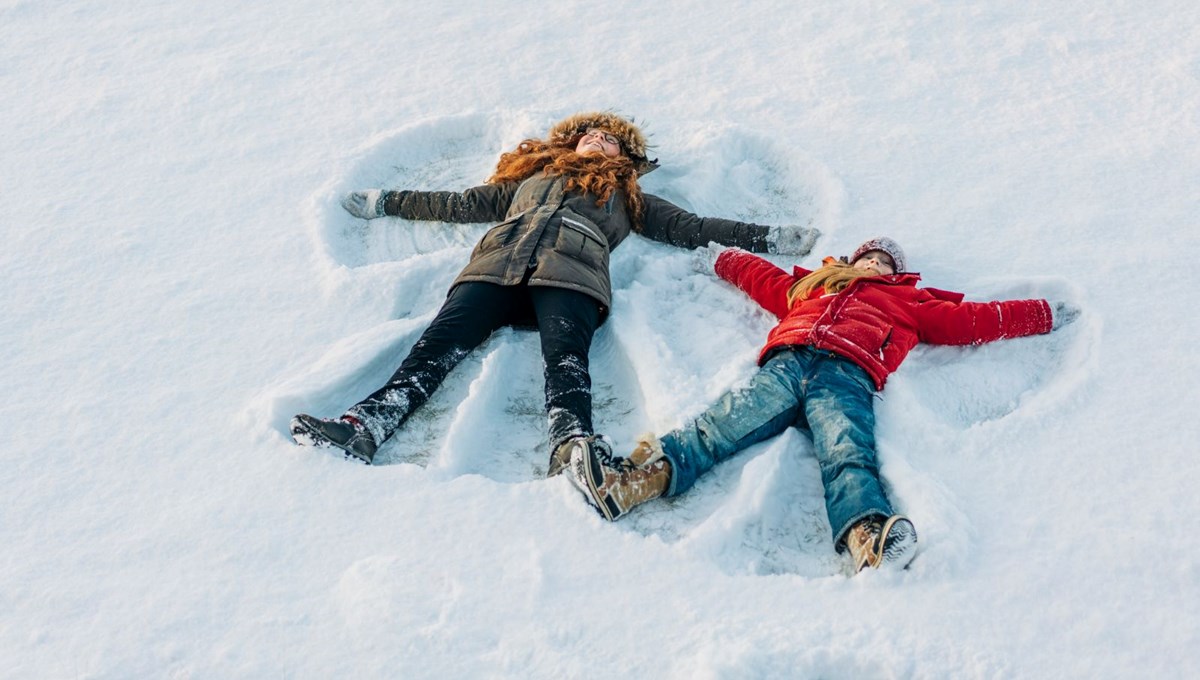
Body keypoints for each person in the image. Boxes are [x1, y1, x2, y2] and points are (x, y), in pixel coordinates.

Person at [290, 111, 821, 474]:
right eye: (589, 134)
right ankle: (366, 425)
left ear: (624, 155)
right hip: (496, 263)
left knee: (566, 357)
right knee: (437, 345)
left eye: (609, 139)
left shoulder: (627, 195)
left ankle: (571, 444)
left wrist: (767, 237)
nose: (597, 139)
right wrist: (386, 201)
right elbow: (455, 203)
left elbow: (694, 226)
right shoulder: (529, 180)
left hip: (574, 271)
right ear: (571, 141)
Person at [566, 236, 1080, 573]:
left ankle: (866, 537)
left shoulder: (913, 303)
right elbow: (763, 278)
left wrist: (1040, 313)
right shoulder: (813, 287)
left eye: (885, 263)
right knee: (719, 425)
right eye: (869, 257)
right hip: (786, 364)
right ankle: (630, 482)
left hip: (848, 375)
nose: (875, 264)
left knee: (846, 450)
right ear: (853, 259)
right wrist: (721, 257)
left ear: (898, 274)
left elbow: (975, 321)